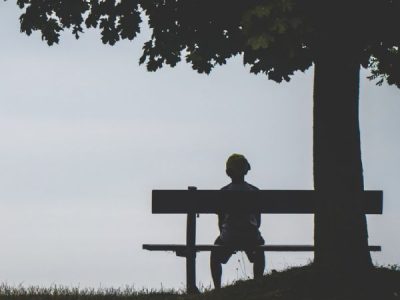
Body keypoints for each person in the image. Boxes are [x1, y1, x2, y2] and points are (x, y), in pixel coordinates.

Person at [210, 153, 265, 289]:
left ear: (228, 173)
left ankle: (217, 288)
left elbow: (221, 221)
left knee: (215, 253)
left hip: (229, 236)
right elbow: (258, 222)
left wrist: (226, 235)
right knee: (260, 247)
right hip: (251, 236)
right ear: (246, 170)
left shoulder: (223, 193)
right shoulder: (255, 192)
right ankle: (258, 283)